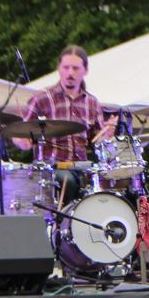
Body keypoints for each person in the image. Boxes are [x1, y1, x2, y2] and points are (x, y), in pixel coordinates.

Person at [17, 45, 117, 205]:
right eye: (66, 67)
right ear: (59, 69)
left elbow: (96, 142)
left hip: (82, 168)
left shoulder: (92, 102)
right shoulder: (41, 98)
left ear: (85, 71)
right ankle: (63, 226)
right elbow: (22, 136)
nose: (70, 73)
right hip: (52, 169)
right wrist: (20, 140)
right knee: (66, 180)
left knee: (110, 185)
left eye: (76, 68)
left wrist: (106, 134)